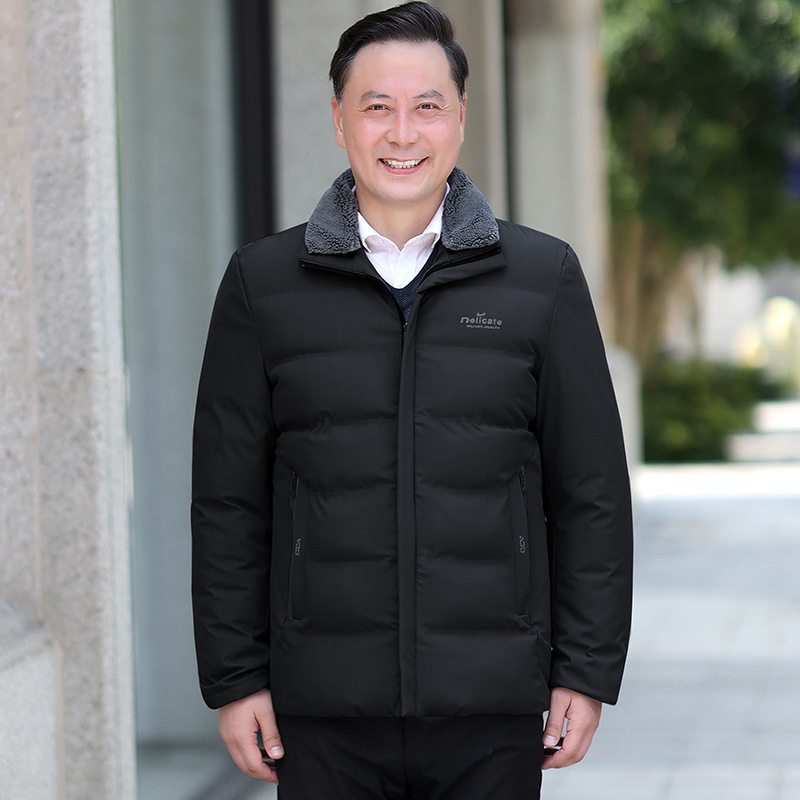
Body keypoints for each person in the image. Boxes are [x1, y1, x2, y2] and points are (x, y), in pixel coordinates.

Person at [191, 3, 633, 798]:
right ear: (338, 120)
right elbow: (228, 502)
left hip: (492, 706)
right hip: (321, 713)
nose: (402, 133)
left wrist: (586, 669)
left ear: (460, 118)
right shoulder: (262, 284)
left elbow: (590, 491)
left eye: (427, 106)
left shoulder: (542, 279)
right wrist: (235, 678)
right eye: (376, 107)